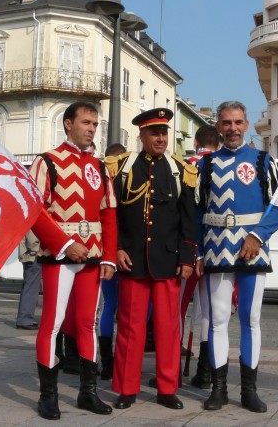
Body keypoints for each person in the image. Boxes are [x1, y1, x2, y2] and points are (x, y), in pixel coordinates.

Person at [196, 101, 278, 413]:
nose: (232, 128)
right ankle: (218, 389)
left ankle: (249, 390)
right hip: (216, 248)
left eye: (237, 122)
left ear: (246, 125)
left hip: (253, 250)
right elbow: (196, 211)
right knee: (218, 320)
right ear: (218, 127)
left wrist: (258, 235)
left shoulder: (263, 160)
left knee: (250, 320)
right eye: (226, 123)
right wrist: (197, 250)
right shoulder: (205, 165)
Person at [30, 101, 117, 420]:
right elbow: (34, 211)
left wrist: (108, 256)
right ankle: (48, 395)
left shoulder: (99, 166)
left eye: (95, 123)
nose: (92, 128)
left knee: (86, 323)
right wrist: (65, 244)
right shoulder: (46, 162)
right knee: (52, 322)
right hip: (58, 255)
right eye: (85, 122)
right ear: (68, 124)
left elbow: (109, 214)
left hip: (93, 256)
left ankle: (87, 392)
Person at [107, 108, 197, 410]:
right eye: (154, 133)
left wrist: (187, 258)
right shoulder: (122, 167)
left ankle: (167, 388)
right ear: (141, 135)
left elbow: (188, 219)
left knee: (168, 329)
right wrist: (116, 248)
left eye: (164, 133)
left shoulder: (180, 170)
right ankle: (126, 388)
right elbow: (112, 214)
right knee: (131, 328)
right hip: (132, 259)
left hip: (169, 261)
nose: (160, 138)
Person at [180, 124, 220, 389]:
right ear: (217, 144)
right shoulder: (221, 166)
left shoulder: (184, 166)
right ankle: (204, 372)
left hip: (185, 249)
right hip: (214, 251)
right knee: (209, 313)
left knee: (177, 310)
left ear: (196, 142)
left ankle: (171, 369)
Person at [98, 142, 127, 381]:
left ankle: (106, 363)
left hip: (105, 250)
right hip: (128, 250)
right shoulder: (128, 178)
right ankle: (122, 357)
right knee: (135, 306)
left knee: (109, 304)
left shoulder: (99, 177)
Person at [15, 231, 42, 330]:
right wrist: (36, 249)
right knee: (31, 287)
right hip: (34, 255)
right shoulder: (33, 218)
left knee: (30, 286)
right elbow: (32, 238)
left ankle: (25, 318)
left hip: (29, 255)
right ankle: (25, 319)